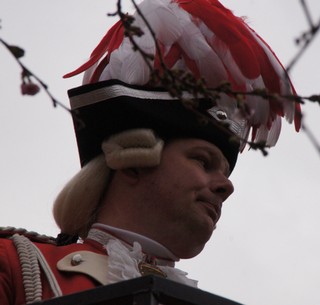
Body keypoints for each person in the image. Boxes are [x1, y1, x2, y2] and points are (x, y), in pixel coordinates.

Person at [0, 0, 301, 304]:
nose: (227, 186)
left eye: (223, 171)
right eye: (202, 161)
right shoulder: (15, 265)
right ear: (132, 160)